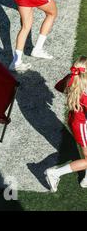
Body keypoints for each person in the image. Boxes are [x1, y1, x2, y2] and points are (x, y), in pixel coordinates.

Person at [45, 56, 87, 192]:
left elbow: (59, 87)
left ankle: (86, 180)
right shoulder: (85, 95)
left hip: (74, 119)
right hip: (82, 126)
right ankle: (55, 173)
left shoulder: (71, 79)